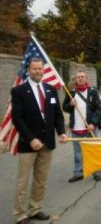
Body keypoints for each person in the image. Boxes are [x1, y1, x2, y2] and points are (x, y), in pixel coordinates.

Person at [11, 58, 67, 224]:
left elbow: (57, 115)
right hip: (28, 144)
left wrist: (61, 132)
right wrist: (31, 138)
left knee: (41, 180)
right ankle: (20, 214)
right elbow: (17, 119)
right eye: (34, 69)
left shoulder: (50, 90)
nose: (38, 71)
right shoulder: (19, 91)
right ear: (29, 70)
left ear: (44, 70)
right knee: (23, 181)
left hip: (47, 142)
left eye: (40, 69)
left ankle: (35, 209)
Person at [63, 70, 101, 183]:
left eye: (82, 77)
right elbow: (65, 107)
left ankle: (97, 172)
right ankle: (78, 172)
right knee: (77, 153)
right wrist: (70, 105)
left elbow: (99, 109)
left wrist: (93, 123)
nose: (80, 78)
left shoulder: (93, 92)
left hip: (90, 127)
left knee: (93, 150)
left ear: (86, 79)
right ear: (76, 79)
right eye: (78, 77)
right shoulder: (70, 92)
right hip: (76, 127)